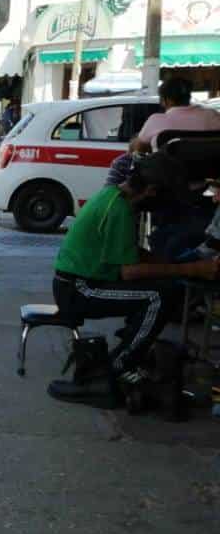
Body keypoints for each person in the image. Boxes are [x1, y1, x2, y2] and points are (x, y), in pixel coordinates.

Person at [51, 164, 220, 400]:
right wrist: (193, 268)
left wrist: (173, 265)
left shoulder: (112, 195)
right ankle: (116, 369)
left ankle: (129, 352)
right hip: (79, 289)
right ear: (150, 190)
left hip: (77, 284)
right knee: (157, 297)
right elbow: (130, 271)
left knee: (163, 286)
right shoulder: (119, 209)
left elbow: (131, 253)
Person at [132, 77, 220, 153]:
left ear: (166, 100)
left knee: (123, 162)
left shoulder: (156, 120)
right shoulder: (212, 116)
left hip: (165, 171)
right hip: (209, 170)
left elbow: (138, 149)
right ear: (188, 97)